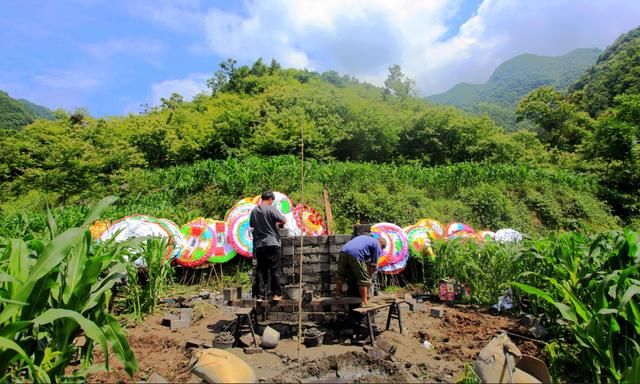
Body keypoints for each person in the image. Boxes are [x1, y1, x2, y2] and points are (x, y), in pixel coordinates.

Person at [250, 191, 286, 301]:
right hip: (272, 243)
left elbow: (252, 225)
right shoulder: (271, 208)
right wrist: (275, 224)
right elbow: (283, 220)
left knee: (261, 270)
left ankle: (260, 296)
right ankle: (277, 294)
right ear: (270, 199)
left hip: (260, 245)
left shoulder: (254, 210)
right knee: (275, 269)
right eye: (272, 201)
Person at [335, 235, 387, 306]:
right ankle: (364, 302)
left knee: (341, 274)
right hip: (356, 253)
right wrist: (369, 277)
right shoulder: (378, 245)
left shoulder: (366, 238)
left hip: (343, 251)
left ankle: (338, 294)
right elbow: (373, 265)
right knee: (363, 279)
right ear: (382, 246)